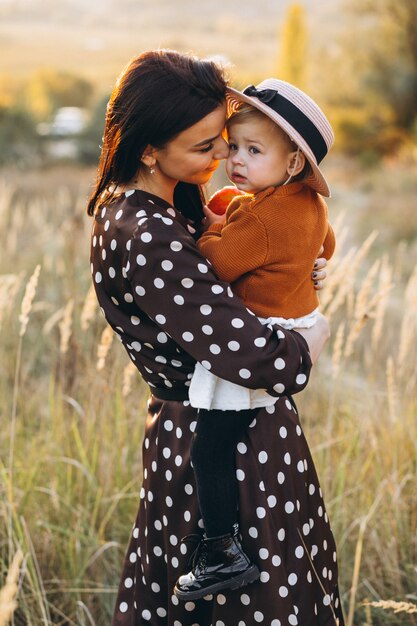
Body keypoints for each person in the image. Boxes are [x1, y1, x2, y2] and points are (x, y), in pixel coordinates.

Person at [87, 49, 345, 626]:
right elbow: (261, 361)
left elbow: (247, 267)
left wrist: (296, 273)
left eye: (224, 140)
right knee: (249, 605)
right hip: (225, 447)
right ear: (149, 148)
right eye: (207, 147)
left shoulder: (144, 206)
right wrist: (309, 342)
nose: (225, 154)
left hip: (219, 428)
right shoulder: (148, 235)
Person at [178, 79, 336, 602]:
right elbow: (325, 243)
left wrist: (207, 228)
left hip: (260, 344)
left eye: (253, 151)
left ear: (292, 164)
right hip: (290, 329)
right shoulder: (305, 205)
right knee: (233, 444)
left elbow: (219, 263)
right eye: (234, 146)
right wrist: (306, 259)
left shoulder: (264, 220)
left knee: (211, 448)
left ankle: (223, 549)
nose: (236, 160)